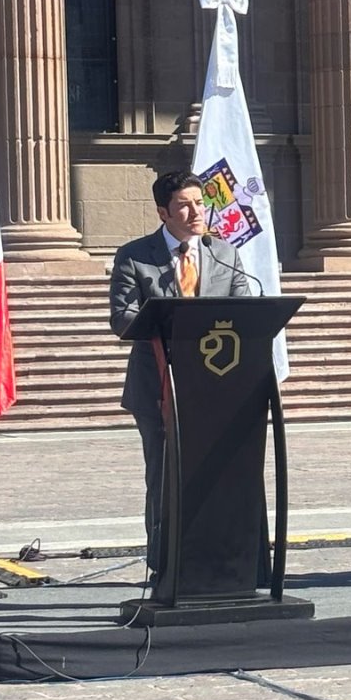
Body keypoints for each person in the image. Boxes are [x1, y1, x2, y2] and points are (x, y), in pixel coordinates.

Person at [108, 170, 250, 580]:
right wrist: (174, 323)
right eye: (184, 205)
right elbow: (123, 318)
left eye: (200, 203)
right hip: (157, 388)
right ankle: (163, 566)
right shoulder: (135, 255)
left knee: (215, 474)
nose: (195, 213)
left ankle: (214, 561)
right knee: (164, 477)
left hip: (215, 387)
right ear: (162, 212)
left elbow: (243, 308)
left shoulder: (223, 252)